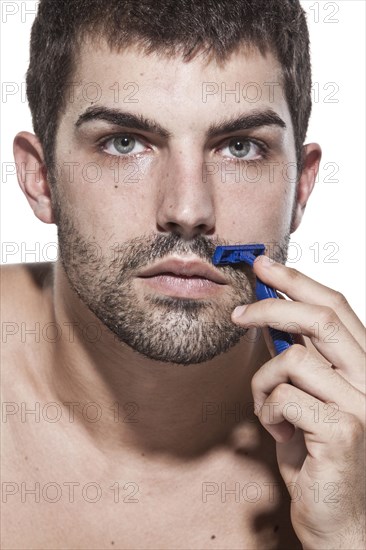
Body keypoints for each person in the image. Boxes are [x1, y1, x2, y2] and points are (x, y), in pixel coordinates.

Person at [2, 0, 365, 548]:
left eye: (240, 148)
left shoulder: (349, 464)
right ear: (41, 178)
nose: (189, 208)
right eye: (124, 143)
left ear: (302, 187)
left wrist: (350, 532)